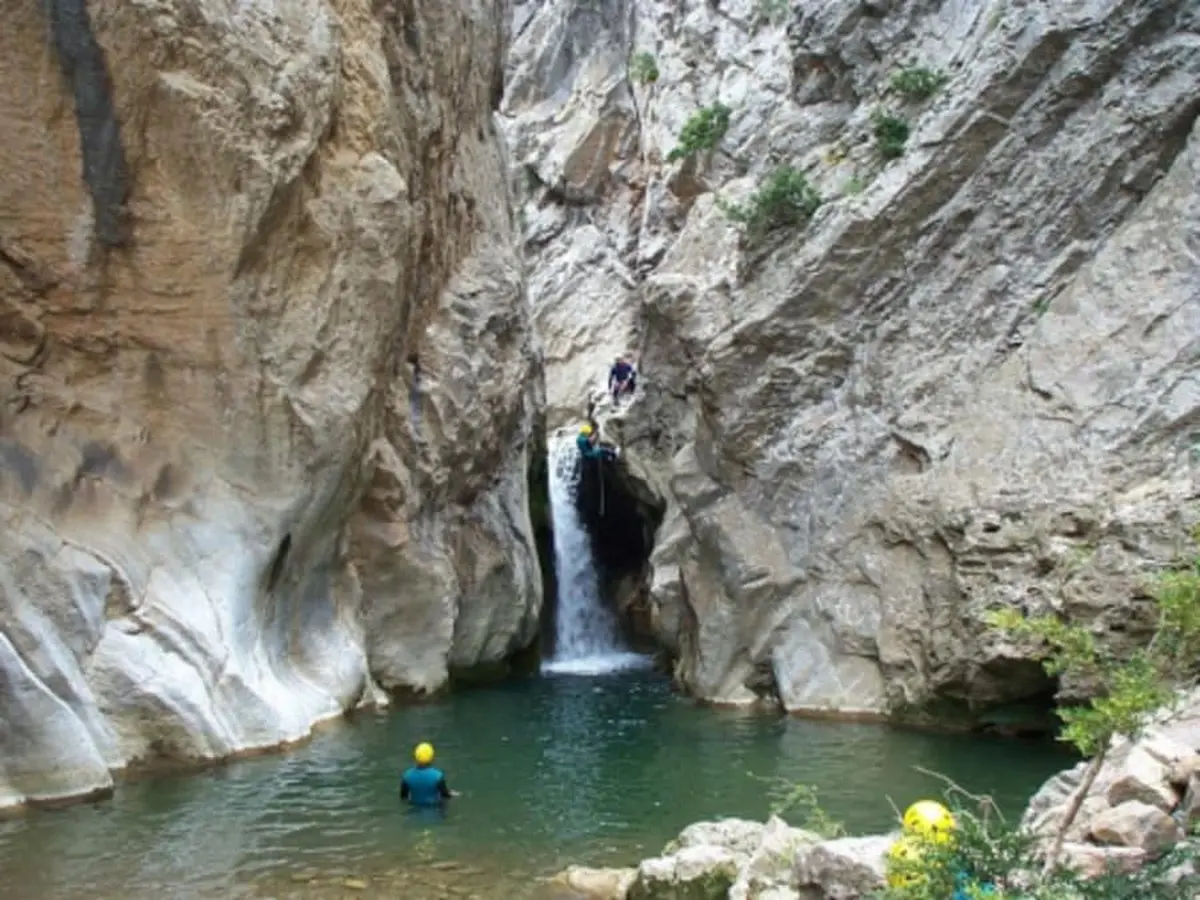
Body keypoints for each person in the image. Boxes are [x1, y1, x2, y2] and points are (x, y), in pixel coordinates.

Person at [400, 742, 458, 807]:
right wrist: (451, 794)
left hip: (415, 809)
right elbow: (445, 796)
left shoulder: (407, 776)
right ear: (431, 758)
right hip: (434, 809)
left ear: (415, 757)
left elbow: (403, 798)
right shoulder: (438, 776)